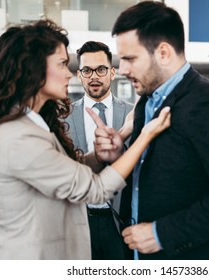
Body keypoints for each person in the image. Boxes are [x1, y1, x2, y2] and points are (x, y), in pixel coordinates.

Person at [0, 19, 170, 260]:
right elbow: (96, 189)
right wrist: (145, 133)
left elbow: (70, 169)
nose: (70, 75)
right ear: (34, 70)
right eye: (62, 64)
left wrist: (101, 153)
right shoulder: (18, 138)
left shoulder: (33, 126)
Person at [94, 1, 209, 260]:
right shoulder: (145, 102)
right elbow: (151, 173)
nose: (122, 69)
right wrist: (118, 155)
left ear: (163, 53)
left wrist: (161, 234)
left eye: (130, 59)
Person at [66, 41, 133, 260]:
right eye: (87, 70)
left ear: (112, 72)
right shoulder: (62, 117)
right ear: (79, 74)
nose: (94, 76)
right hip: (79, 221)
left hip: (121, 222)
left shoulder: (133, 115)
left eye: (101, 69)